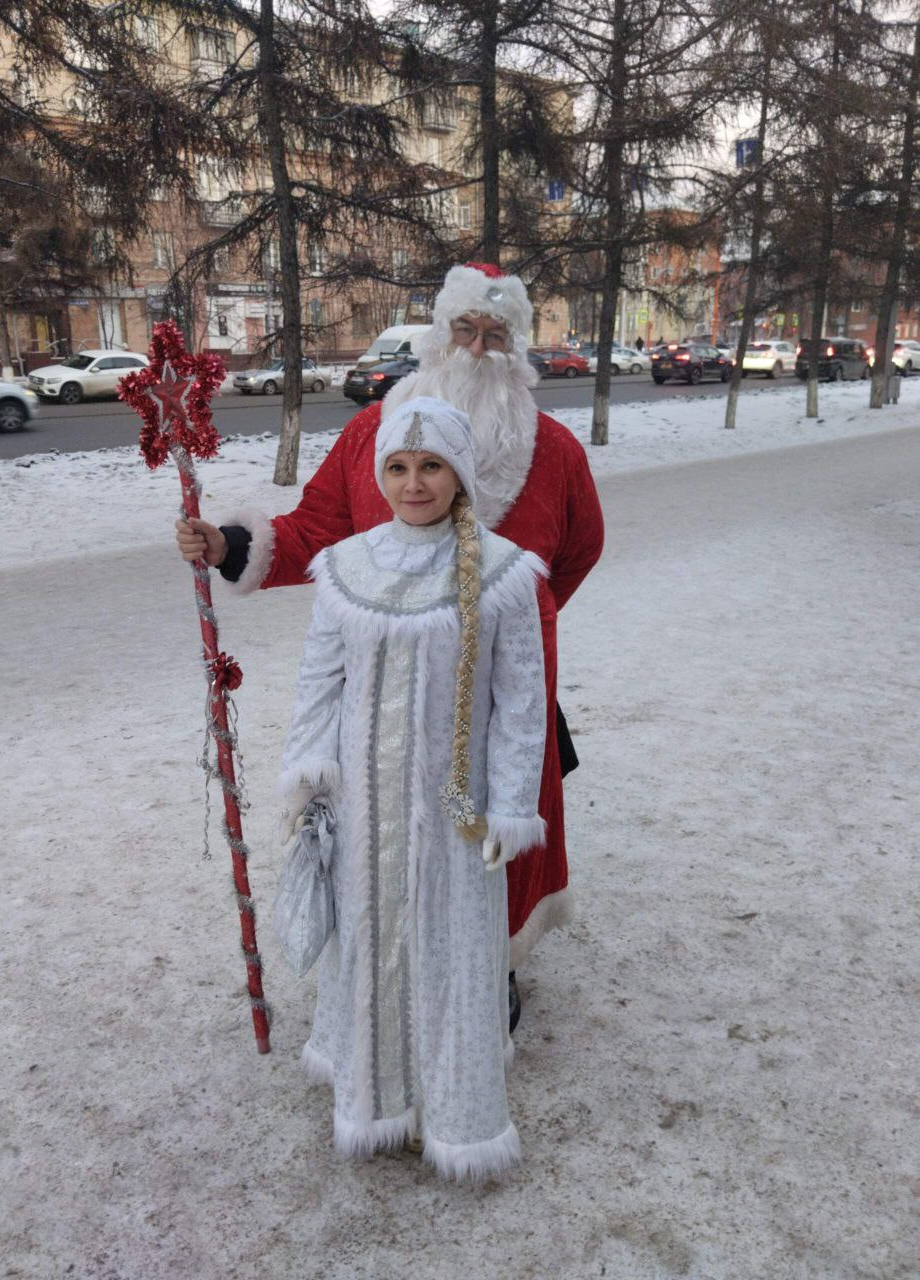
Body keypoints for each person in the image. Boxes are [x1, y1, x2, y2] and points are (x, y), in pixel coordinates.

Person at [175, 262, 603, 1026]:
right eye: (465, 329)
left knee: (494, 831)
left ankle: (494, 968)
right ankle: (394, 971)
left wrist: (518, 625)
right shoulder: (375, 435)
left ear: (517, 348)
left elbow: (580, 549)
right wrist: (229, 545)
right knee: (393, 838)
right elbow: (314, 529)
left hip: (499, 695)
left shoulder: (557, 452)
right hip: (388, 699)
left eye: (495, 334)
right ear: (439, 336)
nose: (477, 348)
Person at [278, 396, 546, 1179]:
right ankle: (375, 1099)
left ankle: (453, 1112)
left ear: (459, 474)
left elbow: (520, 701)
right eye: (398, 467)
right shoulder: (346, 567)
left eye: (431, 466)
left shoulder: (501, 573)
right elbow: (320, 681)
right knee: (369, 945)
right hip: (363, 812)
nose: (414, 483)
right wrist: (309, 776)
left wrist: (509, 807)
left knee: (450, 954)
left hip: (454, 814)